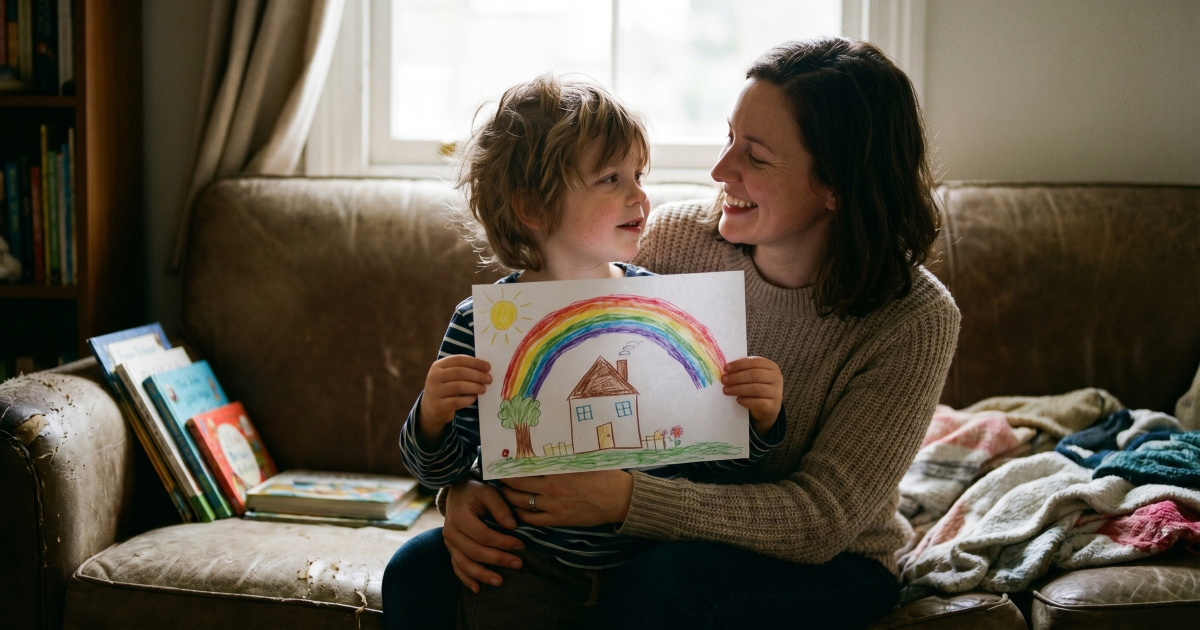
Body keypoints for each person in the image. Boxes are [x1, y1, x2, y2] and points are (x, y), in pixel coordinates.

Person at [384, 36, 960, 629]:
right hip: (638, 535)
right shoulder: (675, 240)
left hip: (825, 558)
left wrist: (627, 501)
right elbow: (490, 415)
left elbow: (820, 520)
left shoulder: (914, 318)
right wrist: (460, 496)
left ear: (836, 184)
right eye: (728, 137)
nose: (718, 171)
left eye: (755, 156)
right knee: (421, 568)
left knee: (664, 583)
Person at [388, 74, 787, 630]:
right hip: (526, 566)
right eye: (610, 178)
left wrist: (760, 420)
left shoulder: (663, 312)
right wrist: (431, 418)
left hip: (649, 566)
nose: (639, 195)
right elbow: (442, 470)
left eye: (638, 175)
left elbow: (709, 462)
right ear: (532, 206)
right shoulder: (482, 325)